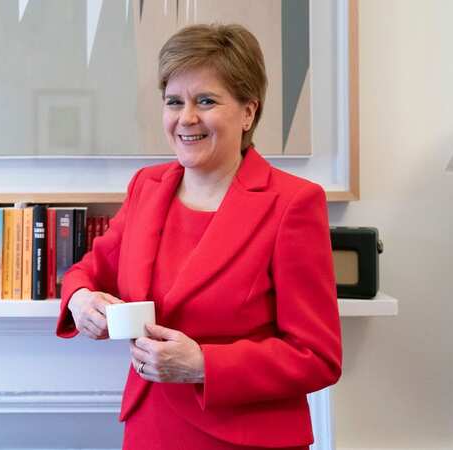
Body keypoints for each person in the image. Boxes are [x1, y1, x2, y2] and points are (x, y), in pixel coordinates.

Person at [55, 23, 342, 450]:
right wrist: (80, 300)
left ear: (248, 112)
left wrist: (205, 364)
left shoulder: (293, 204)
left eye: (206, 101)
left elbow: (318, 357)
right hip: (149, 429)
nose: (186, 118)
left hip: (246, 439)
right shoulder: (146, 188)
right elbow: (86, 272)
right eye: (175, 101)